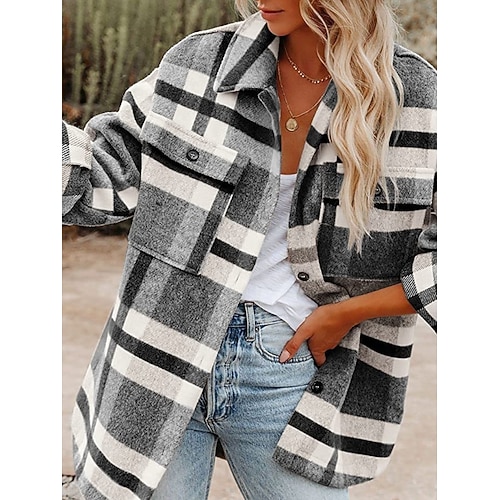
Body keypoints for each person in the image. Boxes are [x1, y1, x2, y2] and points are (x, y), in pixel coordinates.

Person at [62, 0, 437, 498]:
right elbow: (105, 174)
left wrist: (346, 313)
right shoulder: (201, 64)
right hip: (158, 358)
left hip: (288, 367)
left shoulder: (415, 96)